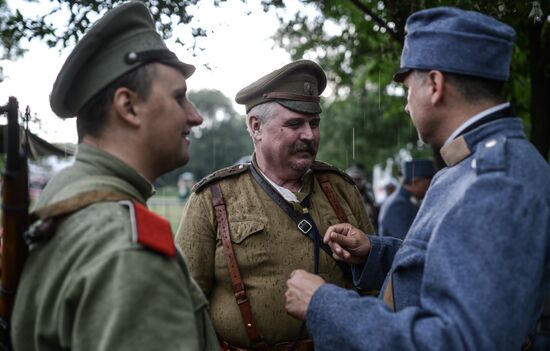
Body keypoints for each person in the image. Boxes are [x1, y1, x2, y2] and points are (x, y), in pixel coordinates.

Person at [284, 6, 550, 350]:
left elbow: (460, 342)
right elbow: (454, 267)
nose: (408, 106)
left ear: (435, 85)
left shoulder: (494, 181)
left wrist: (323, 304)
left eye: (409, 88)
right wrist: (374, 253)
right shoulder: (473, 165)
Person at [11, 2, 218, 350]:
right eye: (179, 97)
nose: (195, 116)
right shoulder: (129, 250)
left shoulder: (65, 197)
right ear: (128, 107)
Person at [176, 60, 374, 349]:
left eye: (314, 123)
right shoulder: (212, 197)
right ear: (256, 127)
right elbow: (184, 303)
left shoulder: (340, 189)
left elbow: (373, 282)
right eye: (294, 124)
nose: (309, 134)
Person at [378, 159, 435, 239]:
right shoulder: (398, 205)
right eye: (430, 183)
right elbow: (406, 242)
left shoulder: (403, 200)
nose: (431, 187)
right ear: (416, 182)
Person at [345, 164, 379, 230]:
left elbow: (374, 207)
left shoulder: (368, 192)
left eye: (359, 179)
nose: (356, 182)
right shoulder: (345, 192)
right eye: (354, 179)